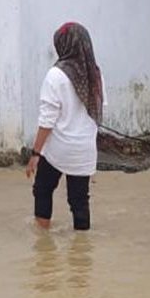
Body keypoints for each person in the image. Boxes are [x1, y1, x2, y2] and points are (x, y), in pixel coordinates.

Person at [26, 22, 104, 231]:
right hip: (84, 151)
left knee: (42, 189)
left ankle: (43, 243)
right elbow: (99, 108)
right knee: (79, 201)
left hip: (58, 149)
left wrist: (35, 153)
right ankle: (82, 254)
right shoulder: (95, 75)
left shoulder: (56, 75)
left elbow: (47, 121)